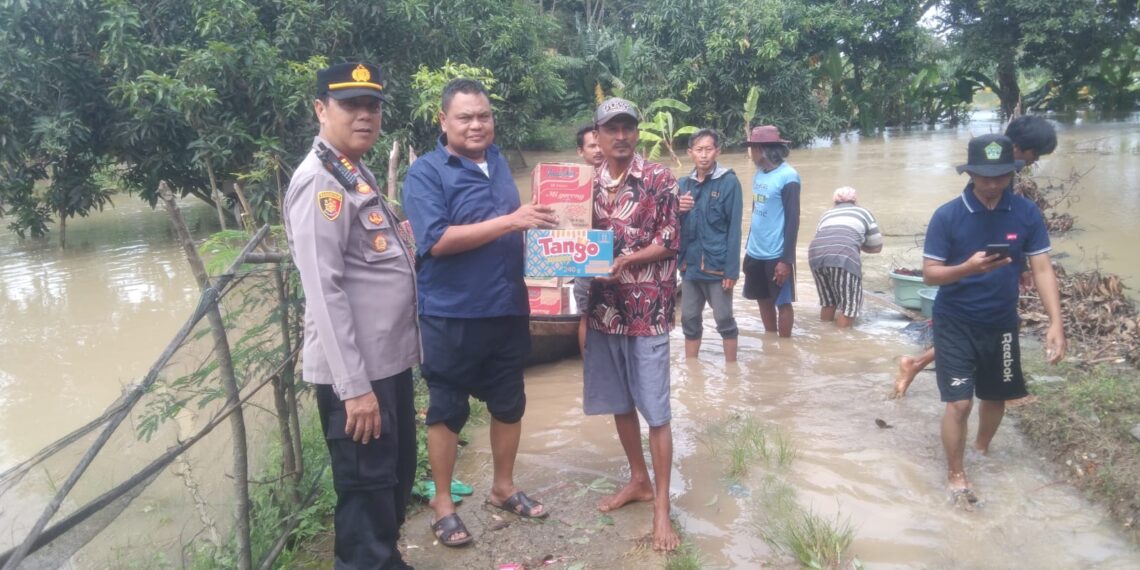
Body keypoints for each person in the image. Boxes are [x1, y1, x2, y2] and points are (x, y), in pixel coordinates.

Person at [402, 78, 556, 547]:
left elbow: (515, 228)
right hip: (452, 313)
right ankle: (443, 504)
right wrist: (512, 220)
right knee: (447, 408)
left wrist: (557, 236)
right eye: (465, 117)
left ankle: (502, 488)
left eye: (483, 116)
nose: (476, 125)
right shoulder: (426, 173)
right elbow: (436, 240)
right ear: (443, 120)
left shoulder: (499, 163)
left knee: (509, 402)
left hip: (506, 306)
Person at [283, 62, 419, 570]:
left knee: (391, 483)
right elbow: (324, 291)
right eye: (350, 105)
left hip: (386, 365)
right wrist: (354, 388)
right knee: (366, 493)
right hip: (358, 375)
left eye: (372, 106)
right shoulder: (319, 183)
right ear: (321, 109)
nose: (364, 115)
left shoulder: (352, 171)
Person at [922, 133, 1066, 509]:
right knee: (959, 404)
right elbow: (930, 274)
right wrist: (967, 268)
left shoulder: (1026, 213)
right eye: (984, 176)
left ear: (1012, 172)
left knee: (996, 396)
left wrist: (1056, 323)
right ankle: (956, 474)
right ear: (970, 173)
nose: (992, 184)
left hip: (1001, 322)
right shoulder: (947, 215)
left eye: (1000, 175)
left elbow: (1042, 268)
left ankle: (981, 449)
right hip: (955, 321)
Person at [892, 117, 1058, 397]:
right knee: (960, 385)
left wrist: (1020, 265)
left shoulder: (1019, 203)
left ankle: (918, 364)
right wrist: (969, 268)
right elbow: (935, 270)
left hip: (997, 310)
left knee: (988, 374)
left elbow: (1016, 238)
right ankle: (918, 364)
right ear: (1018, 149)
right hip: (958, 306)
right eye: (1035, 154)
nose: (1034, 161)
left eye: (1002, 176)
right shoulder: (953, 211)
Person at [582, 97, 681, 551]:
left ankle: (662, 506)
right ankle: (638, 480)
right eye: (611, 128)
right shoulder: (587, 184)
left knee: (656, 411)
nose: (620, 136)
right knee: (620, 402)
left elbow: (669, 240)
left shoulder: (659, 178)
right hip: (604, 311)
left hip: (648, 313)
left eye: (627, 128)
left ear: (637, 133)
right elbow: (570, 237)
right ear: (598, 136)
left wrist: (626, 260)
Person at [677, 128, 743, 362]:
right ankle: (691, 369)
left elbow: (735, 229)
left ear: (717, 151)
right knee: (689, 319)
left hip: (717, 267)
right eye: (699, 150)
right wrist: (676, 209)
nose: (704, 155)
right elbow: (670, 226)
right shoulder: (683, 184)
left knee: (724, 320)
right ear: (690, 153)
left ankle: (732, 370)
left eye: (708, 149)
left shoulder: (729, 182)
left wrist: (732, 271)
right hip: (690, 266)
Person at [742, 125, 801, 338]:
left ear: (761, 150)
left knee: (782, 303)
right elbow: (756, 212)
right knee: (762, 299)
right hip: (755, 251)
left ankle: (784, 347)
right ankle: (770, 341)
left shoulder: (788, 177)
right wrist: (748, 248)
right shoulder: (759, 175)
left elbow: (793, 221)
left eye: (752, 149)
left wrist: (786, 260)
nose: (750, 153)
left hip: (776, 254)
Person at [807, 186, 883, 328]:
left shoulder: (826, 214)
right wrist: (857, 244)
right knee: (849, 308)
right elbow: (877, 246)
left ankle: (823, 335)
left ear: (834, 202)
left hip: (815, 255)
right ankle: (840, 338)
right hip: (844, 256)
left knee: (828, 302)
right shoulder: (864, 212)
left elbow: (821, 238)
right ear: (855, 201)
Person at [574, 124, 603, 355]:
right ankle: (588, 368)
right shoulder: (571, 184)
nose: (598, 150)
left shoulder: (622, 178)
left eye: (600, 144)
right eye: (592, 146)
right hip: (587, 254)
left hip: (619, 255)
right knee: (587, 314)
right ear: (580, 151)